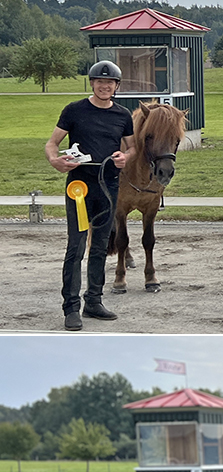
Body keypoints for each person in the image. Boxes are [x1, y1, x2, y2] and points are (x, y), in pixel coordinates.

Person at [45, 61, 135, 331]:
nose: (104, 86)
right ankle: (70, 308)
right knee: (76, 247)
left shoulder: (123, 115)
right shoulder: (74, 110)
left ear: (116, 86)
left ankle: (93, 300)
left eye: (110, 83)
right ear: (92, 83)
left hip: (108, 186)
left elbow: (131, 149)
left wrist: (124, 157)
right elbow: (52, 144)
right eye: (99, 82)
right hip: (80, 186)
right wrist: (55, 161)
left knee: (100, 248)